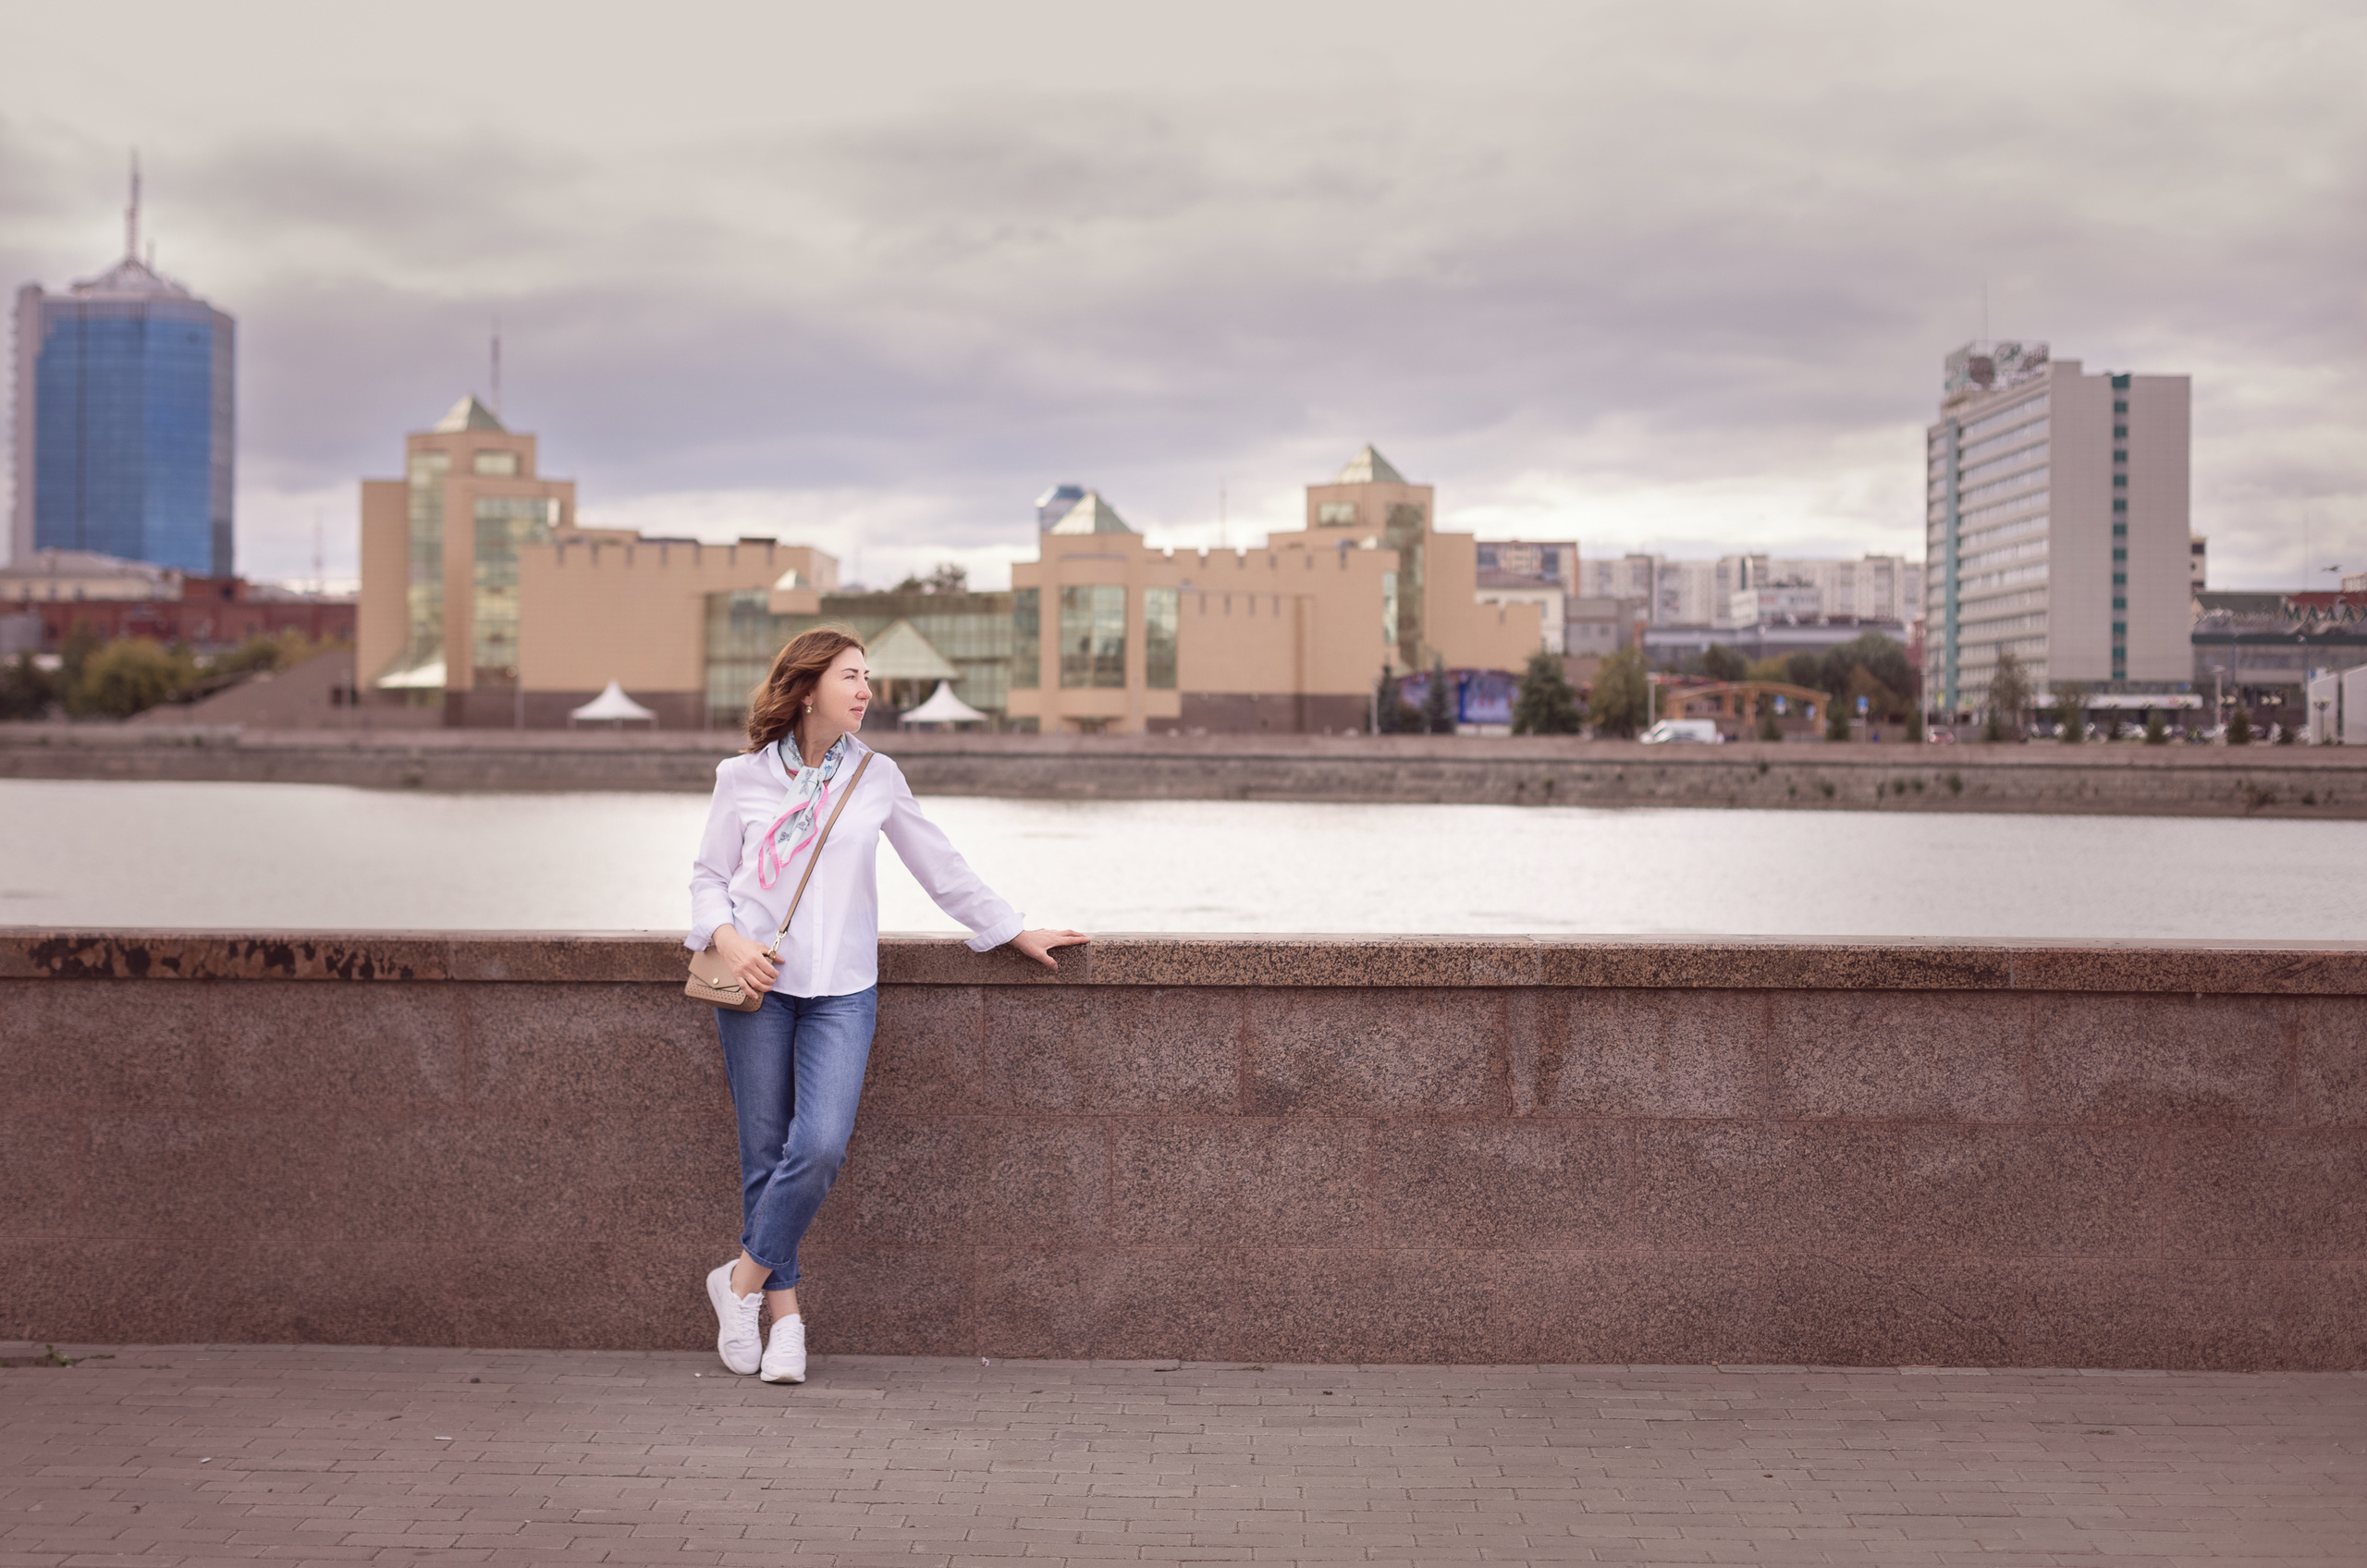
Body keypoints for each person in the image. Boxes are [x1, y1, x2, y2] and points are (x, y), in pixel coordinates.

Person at [688, 627, 1086, 1384]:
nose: (867, 690)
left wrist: (1011, 928)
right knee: (763, 1155)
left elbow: (940, 865)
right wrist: (728, 940)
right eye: (851, 677)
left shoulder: (875, 775)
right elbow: (709, 876)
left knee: (820, 1147)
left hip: (842, 992)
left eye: (868, 677)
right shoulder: (741, 779)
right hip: (755, 985)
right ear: (807, 690)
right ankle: (787, 1323)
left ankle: (736, 1283)